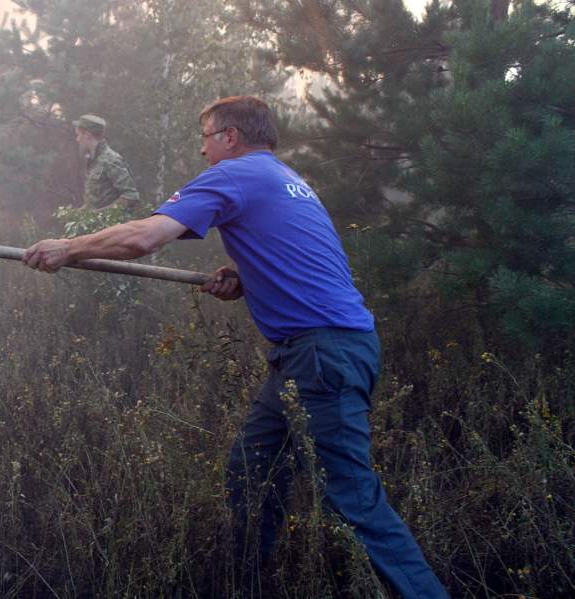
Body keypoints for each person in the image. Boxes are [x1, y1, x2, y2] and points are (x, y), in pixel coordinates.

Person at [23, 96, 448, 599]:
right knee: (252, 472)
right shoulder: (288, 180)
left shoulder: (234, 174)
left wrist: (68, 247)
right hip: (317, 350)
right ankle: (247, 584)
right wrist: (247, 276)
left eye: (205, 138)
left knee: (353, 500)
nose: (202, 152)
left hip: (321, 354)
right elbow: (302, 257)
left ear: (229, 137)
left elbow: (145, 237)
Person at [72, 114, 141, 212]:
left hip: (111, 225)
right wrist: (80, 214)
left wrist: (99, 214)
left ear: (87, 135)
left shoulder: (110, 160)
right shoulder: (93, 160)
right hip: (96, 225)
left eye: (78, 135)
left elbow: (130, 197)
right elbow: (96, 202)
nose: (77, 139)